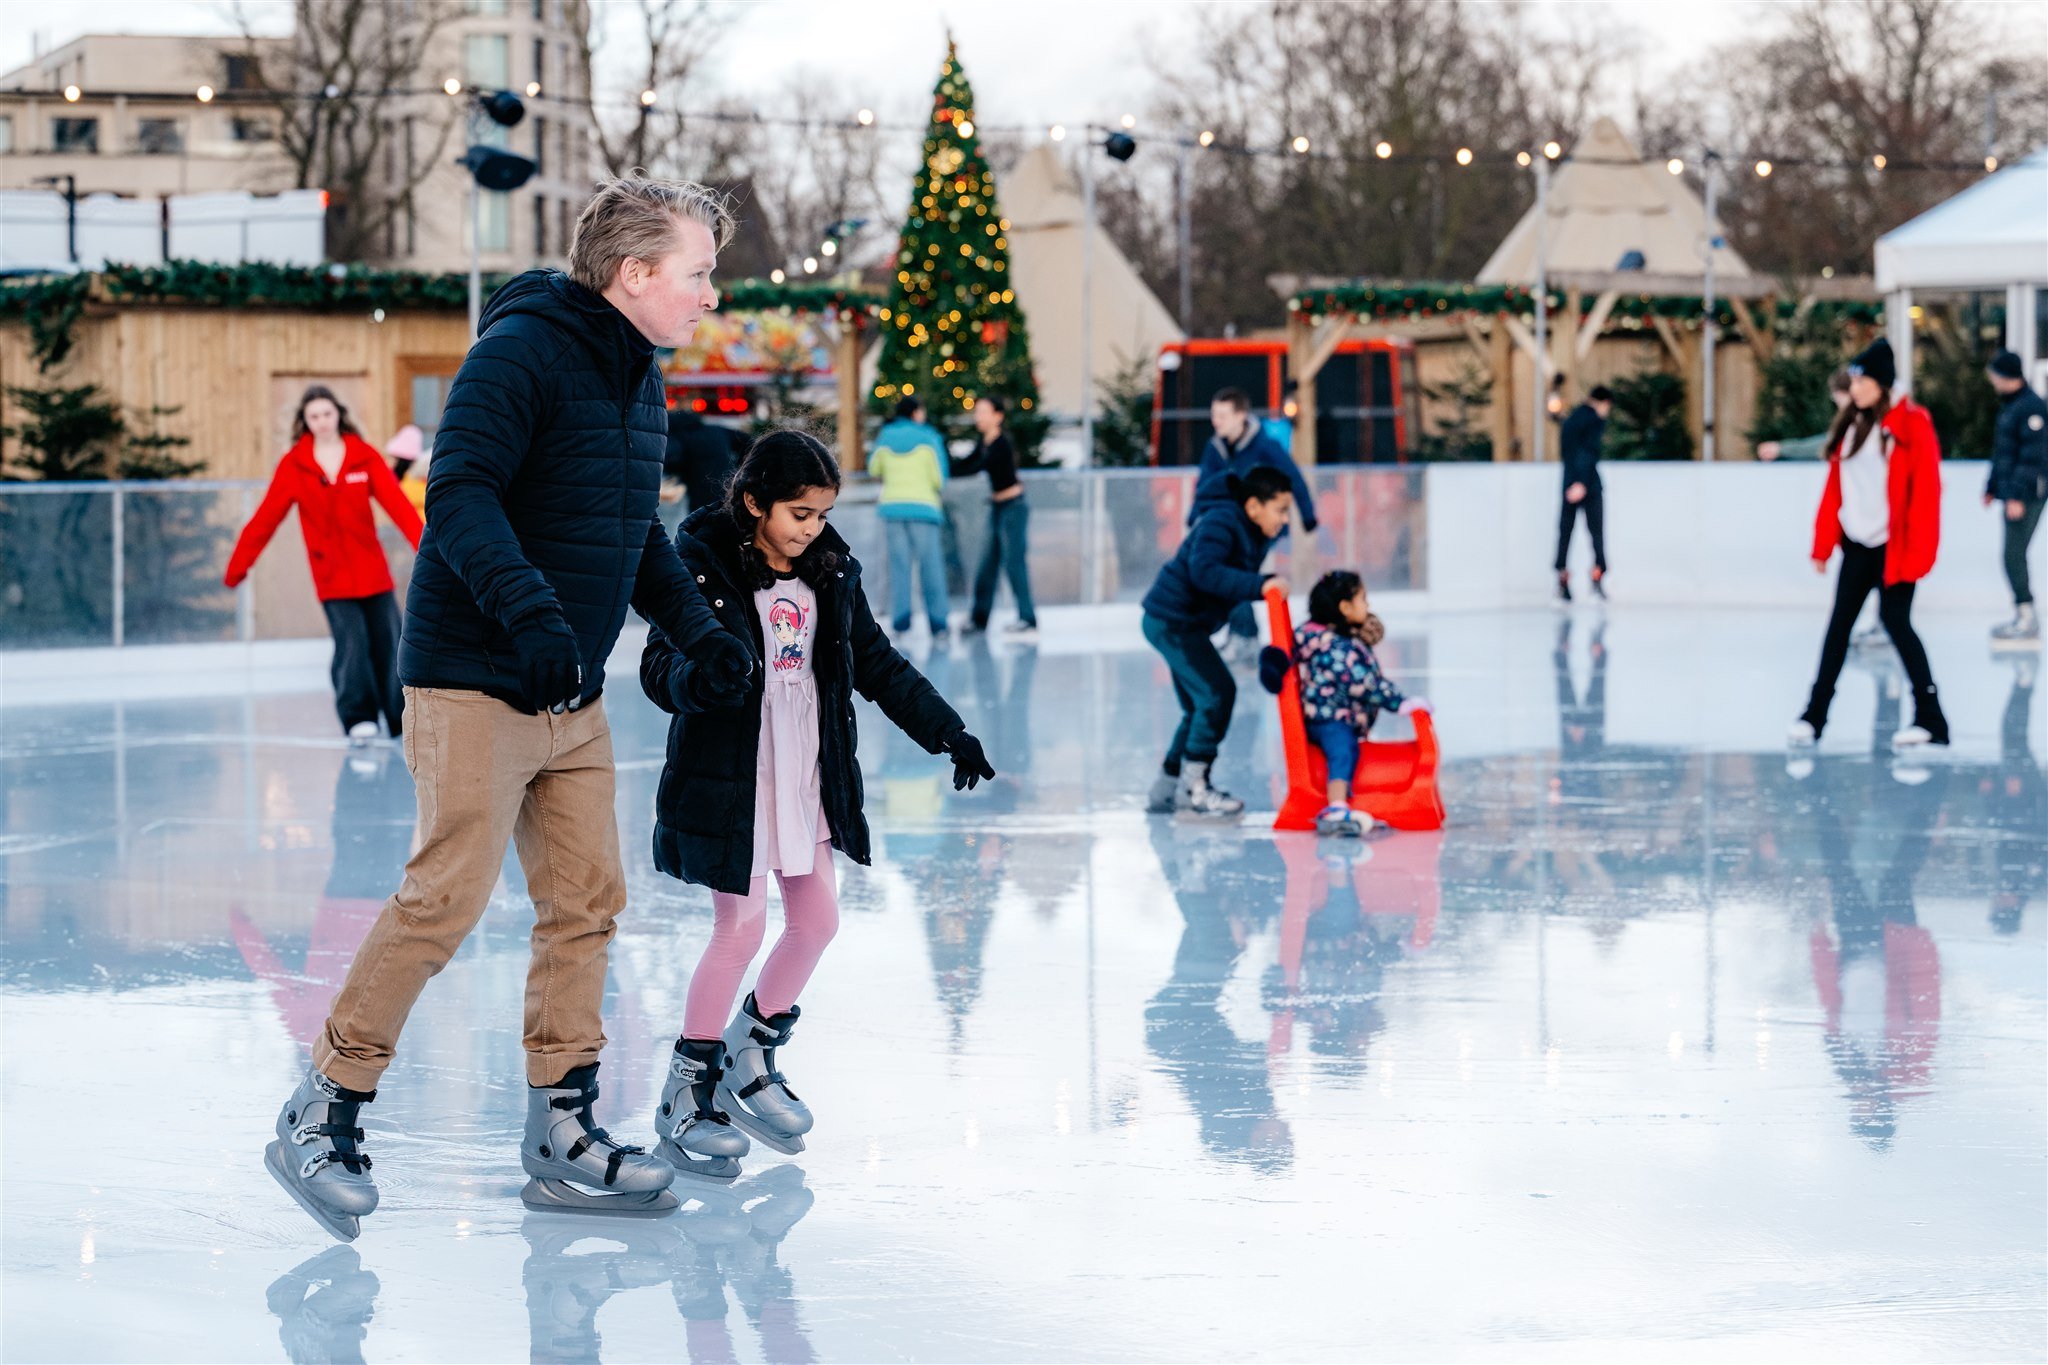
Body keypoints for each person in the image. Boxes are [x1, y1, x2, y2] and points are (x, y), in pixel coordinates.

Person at [263, 174, 759, 1241]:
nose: (708, 295)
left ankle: (562, 1127)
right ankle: (325, 1105)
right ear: (635, 274)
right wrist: (531, 618)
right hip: (474, 678)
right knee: (442, 899)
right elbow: (461, 496)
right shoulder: (519, 352)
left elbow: (633, 536)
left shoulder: (639, 380)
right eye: (698, 274)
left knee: (588, 899)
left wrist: (701, 634)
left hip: (567, 689)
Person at [639, 430, 993, 1182]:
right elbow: (658, 663)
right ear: (755, 501)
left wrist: (947, 730)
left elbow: (879, 663)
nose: (811, 527)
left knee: (819, 920)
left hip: (804, 769)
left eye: (822, 513)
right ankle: (686, 1089)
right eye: (798, 512)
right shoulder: (701, 563)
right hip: (732, 773)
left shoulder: (830, 573)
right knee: (740, 927)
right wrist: (703, 680)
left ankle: (750, 1048)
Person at [225, 386, 424, 744]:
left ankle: (398, 718)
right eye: (313, 416)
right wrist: (239, 567)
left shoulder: (363, 457)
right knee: (352, 644)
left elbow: (399, 507)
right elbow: (265, 520)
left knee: (388, 641)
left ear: (338, 415)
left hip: (373, 571)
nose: (321, 422)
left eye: (327, 414)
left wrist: (429, 551)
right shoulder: (295, 466)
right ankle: (358, 717)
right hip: (331, 575)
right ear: (305, 421)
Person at [1789, 338, 1949, 752]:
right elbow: (1836, 489)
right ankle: (1813, 716)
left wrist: (1918, 552)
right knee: (1838, 628)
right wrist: (1823, 545)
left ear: (1881, 383)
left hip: (1894, 547)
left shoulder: (1911, 423)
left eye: (1863, 380)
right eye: (1854, 380)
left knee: (1898, 625)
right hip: (1858, 545)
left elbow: (1927, 492)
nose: (1855, 387)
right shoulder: (1851, 425)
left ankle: (1931, 720)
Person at [1141, 465, 1295, 819]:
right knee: (1216, 693)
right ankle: (1196, 790)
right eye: (1281, 509)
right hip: (1173, 621)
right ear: (1254, 506)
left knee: (1198, 706)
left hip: (1181, 622)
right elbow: (1204, 571)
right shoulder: (1222, 522)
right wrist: (1260, 585)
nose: (1285, 519)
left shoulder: (1248, 530)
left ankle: (1166, 788)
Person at [1259, 569, 1429, 837]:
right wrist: (1400, 702)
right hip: (1328, 718)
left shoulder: (1334, 636)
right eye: (1363, 599)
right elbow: (1365, 683)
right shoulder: (1337, 647)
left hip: (1333, 713)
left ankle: (1344, 802)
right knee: (1343, 750)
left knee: (1347, 746)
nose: (1368, 605)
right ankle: (1336, 807)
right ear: (1345, 608)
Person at [1190, 387, 1317, 652]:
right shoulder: (1214, 448)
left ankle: (1246, 636)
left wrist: (1307, 515)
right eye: (1214, 416)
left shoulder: (1265, 446)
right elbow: (1205, 484)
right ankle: (1244, 634)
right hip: (1227, 527)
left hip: (1260, 530)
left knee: (1241, 576)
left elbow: (1292, 477)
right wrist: (1194, 517)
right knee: (1231, 577)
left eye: (1222, 416)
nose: (1216, 422)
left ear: (1241, 416)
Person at [869, 397, 953, 640]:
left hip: (893, 509)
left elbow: (874, 467)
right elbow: (939, 478)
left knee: (899, 568)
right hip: (924, 509)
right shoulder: (930, 437)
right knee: (931, 567)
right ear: (916, 413)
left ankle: (901, 622)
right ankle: (938, 624)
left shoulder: (885, 436)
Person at [955, 394, 1037, 636]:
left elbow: (977, 466)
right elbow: (965, 464)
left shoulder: (1001, 444)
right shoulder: (985, 443)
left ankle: (1027, 618)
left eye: (983, 411)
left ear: (998, 417)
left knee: (1014, 563)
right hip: (997, 508)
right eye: (977, 411)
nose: (977, 416)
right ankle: (979, 619)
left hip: (1014, 508)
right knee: (987, 565)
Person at [1985, 349, 2048, 644]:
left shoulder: (2031, 407)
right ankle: (2023, 613)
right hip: (2014, 492)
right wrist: (1992, 486)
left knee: (2013, 554)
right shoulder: (2012, 406)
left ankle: (2027, 616)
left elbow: (2033, 457)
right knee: (2011, 554)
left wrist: (2018, 496)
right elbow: (2005, 453)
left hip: (2027, 494)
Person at [1554, 385, 1612, 602]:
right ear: (1603, 402)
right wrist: (1582, 482)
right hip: (1587, 484)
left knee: (1565, 532)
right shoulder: (1594, 420)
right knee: (1596, 531)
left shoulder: (1570, 420)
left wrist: (1572, 482)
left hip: (1569, 484)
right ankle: (1597, 577)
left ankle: (1562, 577)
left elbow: (1568, 453)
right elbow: (1588, 452)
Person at [664, 404, 744, 514]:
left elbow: (672, 460)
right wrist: (739, 466)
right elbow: (748, 442)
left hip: (699, 490)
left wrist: (679, 474)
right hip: (726, 485)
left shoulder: (681, 437)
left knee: (700, 523)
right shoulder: (716, 430)